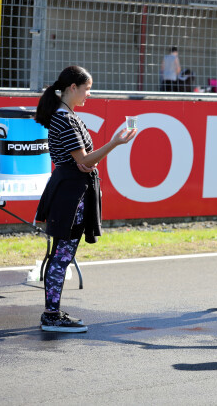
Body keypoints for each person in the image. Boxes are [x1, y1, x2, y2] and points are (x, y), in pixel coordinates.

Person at [34, 66, 137, 332]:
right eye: (87, 89)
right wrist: (114, 143)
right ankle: (51, 315)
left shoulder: (66, 116)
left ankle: (52, 312)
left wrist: (88, 162)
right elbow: (84, 160)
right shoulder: (65, 119)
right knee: (62, 255)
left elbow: (84, 162)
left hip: (71, 189)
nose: (89, 94)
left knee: (62, 254)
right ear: (73, 88)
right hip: (70, 193)